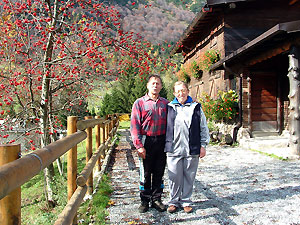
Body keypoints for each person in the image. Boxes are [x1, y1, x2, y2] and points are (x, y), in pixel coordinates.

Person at [165, 81, 210, 214]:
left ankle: (186, 201)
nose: (181, 93)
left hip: (192, 148)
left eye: (183, 90)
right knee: (174, 176)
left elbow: (203, 127)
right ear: (174, 93)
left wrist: (203, 145)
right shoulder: (169, 107)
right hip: (174, 148)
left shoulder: (196, 107)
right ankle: (173, 201)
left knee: (189, 176)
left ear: (187, 91)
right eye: (178, 91)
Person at [130, 74, 169, 213]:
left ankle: (157, 199)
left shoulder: (166, 104)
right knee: (145, 173)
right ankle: (145, 200)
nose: (155, 85)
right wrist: (139, 145)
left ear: (161, 87)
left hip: (161, 141)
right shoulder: (139, 103)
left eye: (158, 83)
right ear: (147, 85)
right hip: (146, 141)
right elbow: (134, 126)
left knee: (159, 171)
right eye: (153, 83)